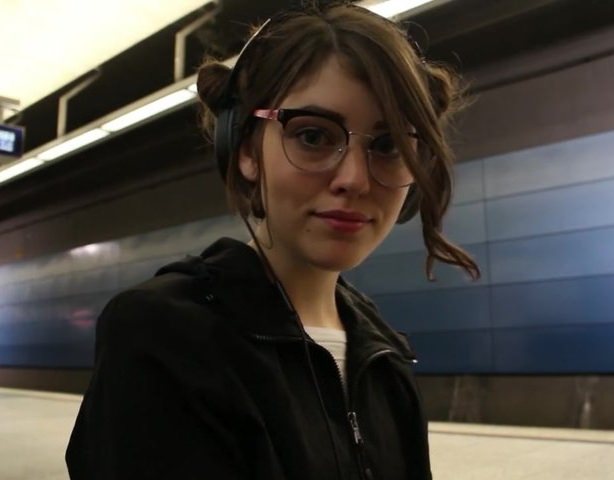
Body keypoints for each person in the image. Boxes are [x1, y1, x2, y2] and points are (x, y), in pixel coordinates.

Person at [66, 3, 479, 479]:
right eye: (313, 136)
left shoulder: (384, 351)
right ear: (246, 150)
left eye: (388, 146)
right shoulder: (163, 335)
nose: (355, 179)